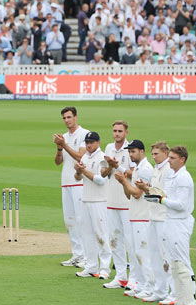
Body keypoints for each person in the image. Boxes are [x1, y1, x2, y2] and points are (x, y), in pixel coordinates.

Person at [145, 146, 196, 305]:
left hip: (180, 223)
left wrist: (161, 200)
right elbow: (167, 196)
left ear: (182, 159)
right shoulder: (171, 174)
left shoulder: (184, 177)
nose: (169, 160)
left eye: (173, 158)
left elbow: (181, 205)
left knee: (182, 263)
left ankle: (192, 303)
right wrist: (153, 193)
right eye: (169, 157)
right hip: (170, 221)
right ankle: (180, 301)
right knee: (174, 263)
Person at [113, 140, 154, 299]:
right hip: (135, 215)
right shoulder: (137, 169)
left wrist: (123, 181)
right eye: (129, 152)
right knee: (137, 252)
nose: (131, 154)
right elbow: (129, 194)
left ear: (142, 151)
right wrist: (123, 182)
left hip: (143, 217)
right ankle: (142, 285)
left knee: (143, 253)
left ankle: (149, 287)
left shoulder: (144, 169)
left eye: (133, 151)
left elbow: (137, 194)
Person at [136, 141, 173, 304]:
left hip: (163, 217)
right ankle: (160, 290)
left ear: (165, 153)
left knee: (166, 256)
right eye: (153, 154)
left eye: (157, 154)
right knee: (154, 254)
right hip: (153, 215)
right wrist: (146, 188)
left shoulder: (168, 170)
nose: (154, 156)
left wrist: (147, 189)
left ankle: (173, 293)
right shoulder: (156, 169)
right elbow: (153, 191)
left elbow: (166, 194)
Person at [52, 107, 90, 268]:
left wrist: (64, 145)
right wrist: (60, 148)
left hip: (79, 182)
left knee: (81, 220)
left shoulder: (84, 134)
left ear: (75, 117)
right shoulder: (65, 137)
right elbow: (58, 162)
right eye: (64, 118)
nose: (66, 120)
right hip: (66, 181)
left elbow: (81, 156)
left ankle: (87, 256)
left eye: (69, 117)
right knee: (70, 220)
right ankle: (77, 254)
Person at [74, 132, 110, 278]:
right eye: (87, 142)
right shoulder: (84, 157)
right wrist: (78, 171)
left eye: (92, 142)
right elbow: (77, 178)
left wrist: (83, 171)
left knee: (101, 234)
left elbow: (101, 180)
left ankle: (105, 269)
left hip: (99, 201)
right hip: (86, 199)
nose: (89, 145)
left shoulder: (102, 158)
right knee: (87, 234)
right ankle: (91, 266)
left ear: (98, 142)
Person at [101, 121, 134, 287]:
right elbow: (103, 172)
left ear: (126, 132)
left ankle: (135, 278)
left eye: (120, 131)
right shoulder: (108, 148)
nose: (117, 134)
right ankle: (121, 276)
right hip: (111, 200)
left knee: (131, 240)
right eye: (114, 131)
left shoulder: (131, 150)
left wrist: (117, 166)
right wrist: (109, 166)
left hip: (127, 202)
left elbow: (134, 173)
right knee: (115, 241)